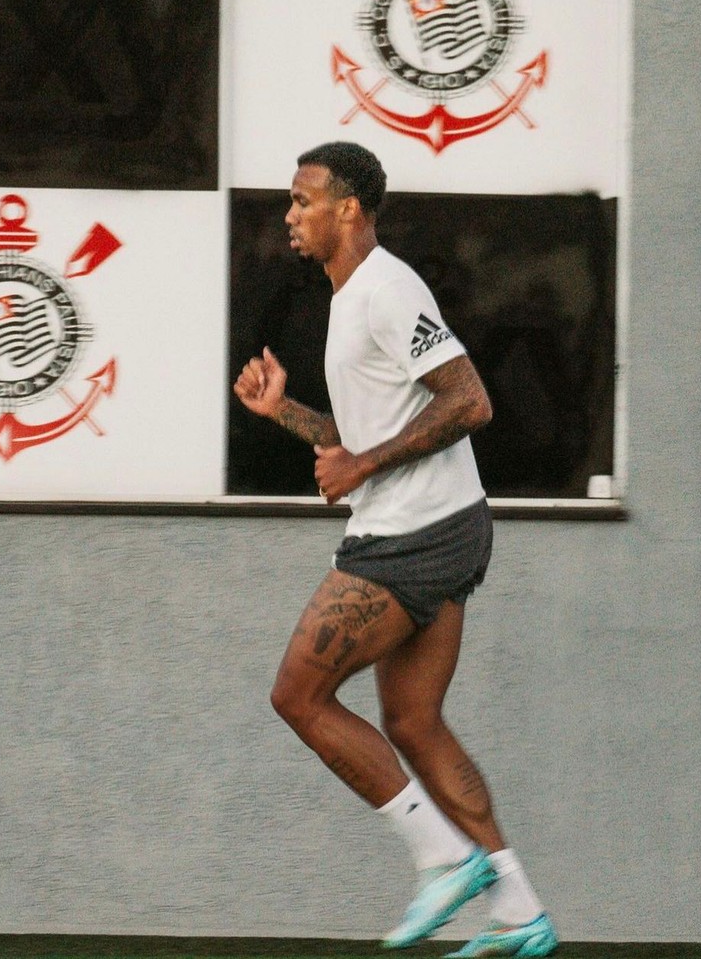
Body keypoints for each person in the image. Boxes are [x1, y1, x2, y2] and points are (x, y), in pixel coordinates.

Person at [233, 142, 558, 958]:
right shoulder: (350, 301)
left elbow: (470, 399)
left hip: (416, 534)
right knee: (414, 721)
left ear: (349, 207)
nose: (290, 214)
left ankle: (445, 859)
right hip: (432, 524)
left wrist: (362, 465)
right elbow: (363, 438)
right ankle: (520, 910)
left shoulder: (385, 287)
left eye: (304, 199)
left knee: (298, 694)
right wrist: (286, 414)